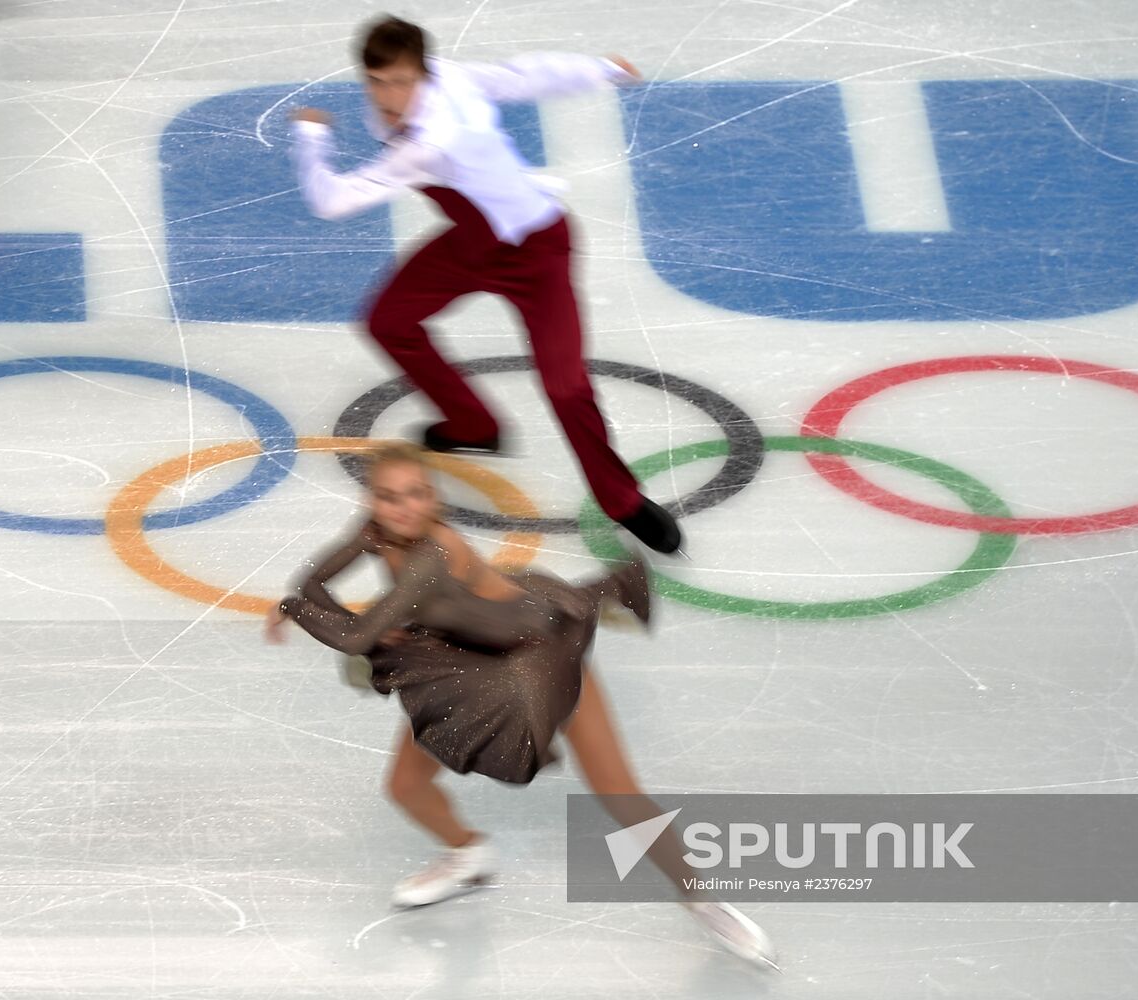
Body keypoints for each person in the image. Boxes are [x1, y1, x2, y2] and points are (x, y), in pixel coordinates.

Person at [264, 442, 777, 970]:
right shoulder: (374, 531)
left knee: (618, 792)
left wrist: (298, 610)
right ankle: (468, 854)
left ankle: (701, 898)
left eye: (417, 494)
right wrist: (320, 608)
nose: (404, 508)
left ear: (433, 497)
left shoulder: (433, 558)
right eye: (389, 497)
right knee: (405, 787)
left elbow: (351, 634)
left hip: (541, 659)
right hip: (470, 664)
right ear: (372, 501)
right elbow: (315, 583)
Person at [287, 14, 683, 554]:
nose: (388, 95)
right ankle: (473, 425)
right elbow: (521, 77)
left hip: (537, 253)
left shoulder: (430, 142)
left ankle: (623, 501)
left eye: (400, 81)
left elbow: (332, 201)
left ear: (422, 75)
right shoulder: (445, 81)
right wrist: (598, 69)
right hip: (471, 244)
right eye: (377, 82)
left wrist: (310, 136)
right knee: (388, 321)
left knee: (565, 385)